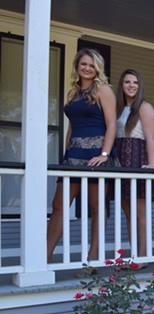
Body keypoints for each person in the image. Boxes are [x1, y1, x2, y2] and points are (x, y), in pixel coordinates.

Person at [47, 48, 117, 264]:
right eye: (83, 64)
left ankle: (93, 259)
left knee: (97, 207)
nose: (87, 68)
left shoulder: (104, 90)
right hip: (74, 153)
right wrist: (67, 149)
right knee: (59, 205)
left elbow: (112, 123)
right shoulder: (73, 93)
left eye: (91, 65)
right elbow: (72, 126)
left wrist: (105, 154)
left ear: (97, 68)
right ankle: (44, 257)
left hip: (96, 154)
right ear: (77, 67)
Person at [115, 69, 154, 259]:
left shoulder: (144, 107)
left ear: (140, 86)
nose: (131, 85)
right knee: (128, 213)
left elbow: (150, 139)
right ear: (122, 85)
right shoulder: (119, 107)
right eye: (127, 82)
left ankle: (143, 255)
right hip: (121, 162)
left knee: (140, 214)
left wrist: (152, 165)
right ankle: (135, 255)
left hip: (138, 160)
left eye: (135, 82)